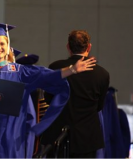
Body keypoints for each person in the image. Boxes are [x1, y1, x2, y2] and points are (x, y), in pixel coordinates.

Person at [0, 23, 96, 159]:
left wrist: (71, 70)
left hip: (11, 138)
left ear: (8, 47)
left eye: (2, 44)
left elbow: (46, 76)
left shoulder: (20, 72)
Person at [41, 30, 110, 159]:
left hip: (58, 136)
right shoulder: (102, 74)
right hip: (87, 139)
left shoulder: (56, 67)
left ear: (68, 47)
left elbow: (48, 99)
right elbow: (99, 106)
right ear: (89, 47)